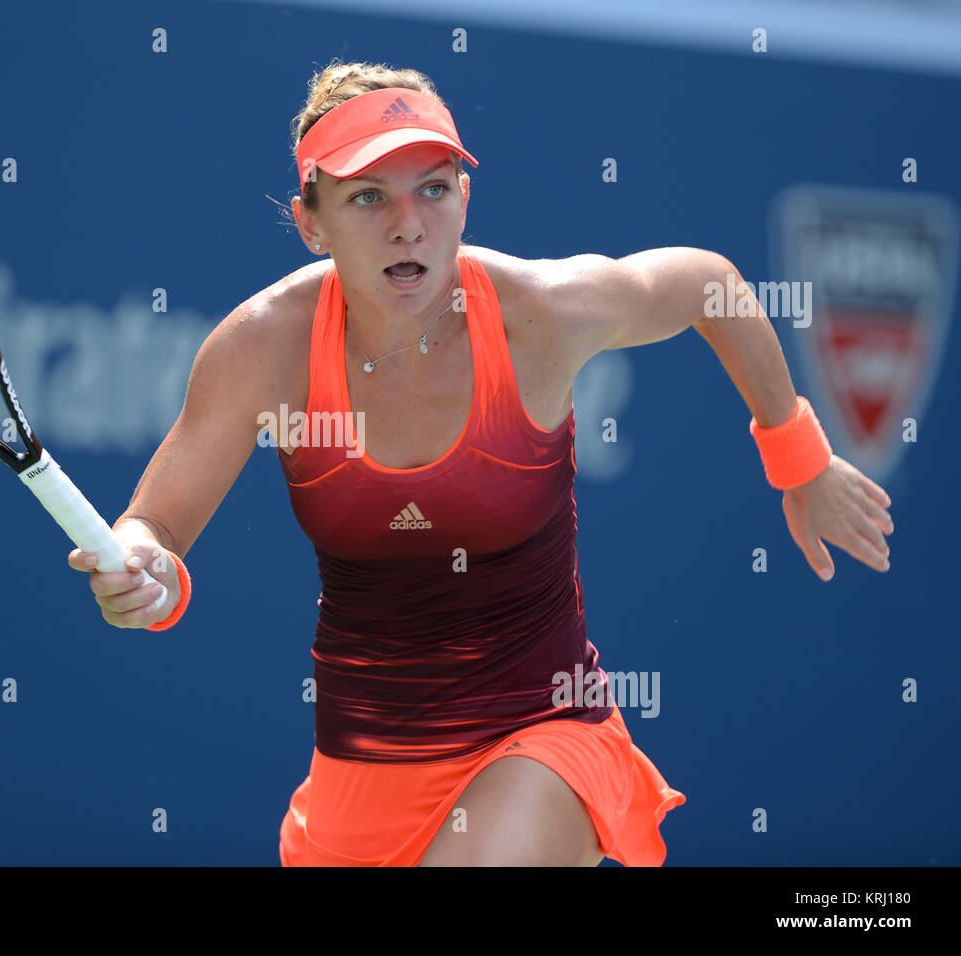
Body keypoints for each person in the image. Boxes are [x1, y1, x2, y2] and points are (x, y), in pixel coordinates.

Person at [66, 62, 895, 866]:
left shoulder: (543, 314)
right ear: (310, 221)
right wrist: (146, 572)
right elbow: (159, 527)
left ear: (465, 198)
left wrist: (799, 457)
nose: (409, 224)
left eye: (434, 187)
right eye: (367, 198)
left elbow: (710, 287)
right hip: (356, 786)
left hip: (546, 735)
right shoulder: (260, 349)